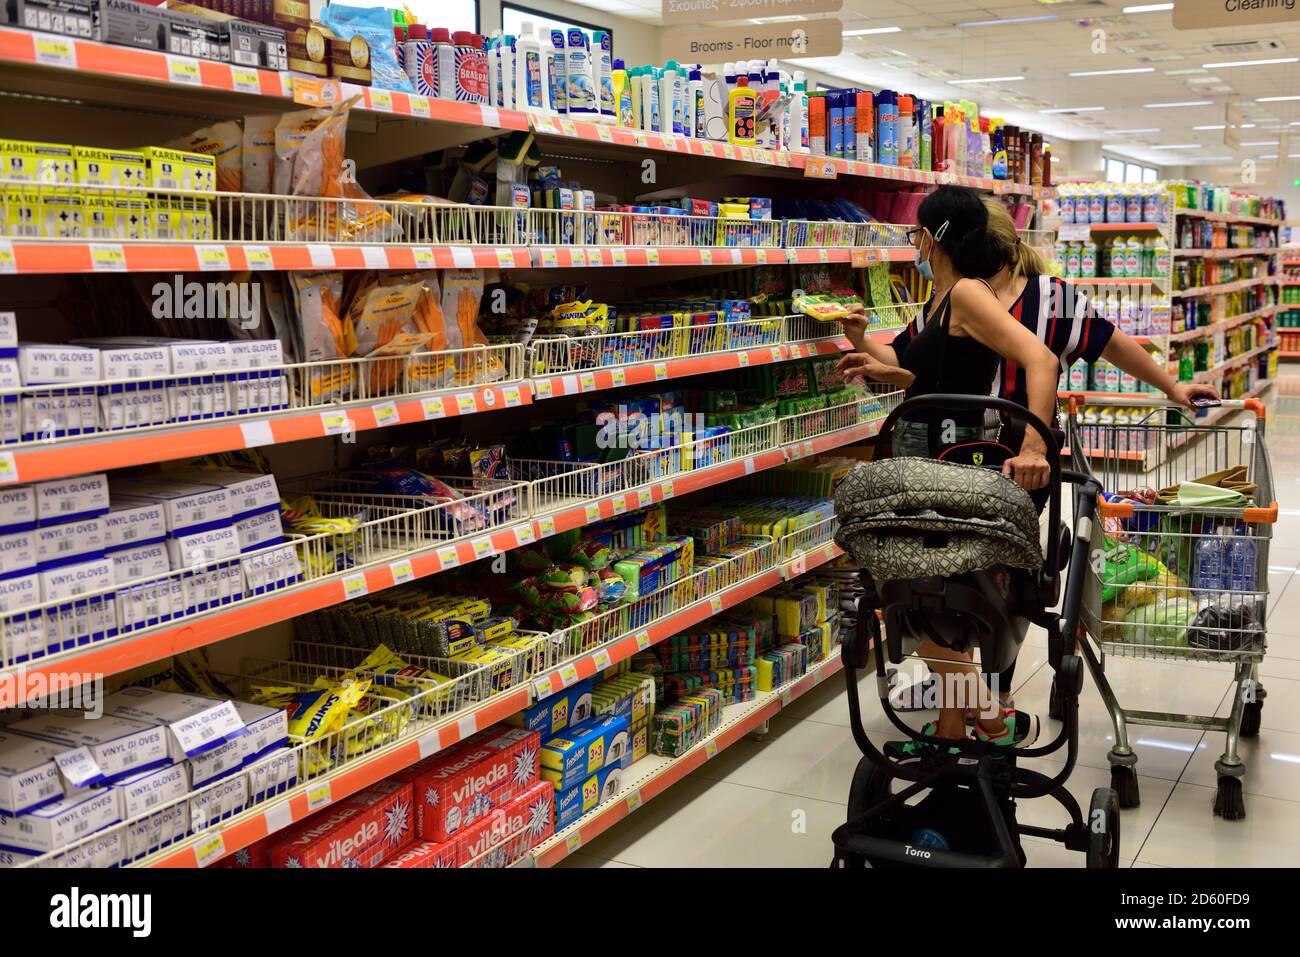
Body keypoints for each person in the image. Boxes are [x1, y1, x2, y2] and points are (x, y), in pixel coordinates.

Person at [843, 196, 1221, 715]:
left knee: (990, 585)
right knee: (943, 584)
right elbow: (913, 360)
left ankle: (985, 699)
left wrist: (1170, 386)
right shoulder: (943, 297)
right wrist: (871, 350)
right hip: (945, 461)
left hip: (1013, 461)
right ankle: (971, 705)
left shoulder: (1041, 298)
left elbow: (1109, 343)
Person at [842, 185, 1062, 754]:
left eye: (916, 232)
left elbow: (1042, 358)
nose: (912, 242)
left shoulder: (968, 294)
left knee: (914, 591)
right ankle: (965, 725)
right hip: (922, 467)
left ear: (934, 237)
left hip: (952, 472)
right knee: (931, 597)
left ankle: (981, 718)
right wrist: (864, 344)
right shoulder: (941, 298)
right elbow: (920, 369)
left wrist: (1035, 445)